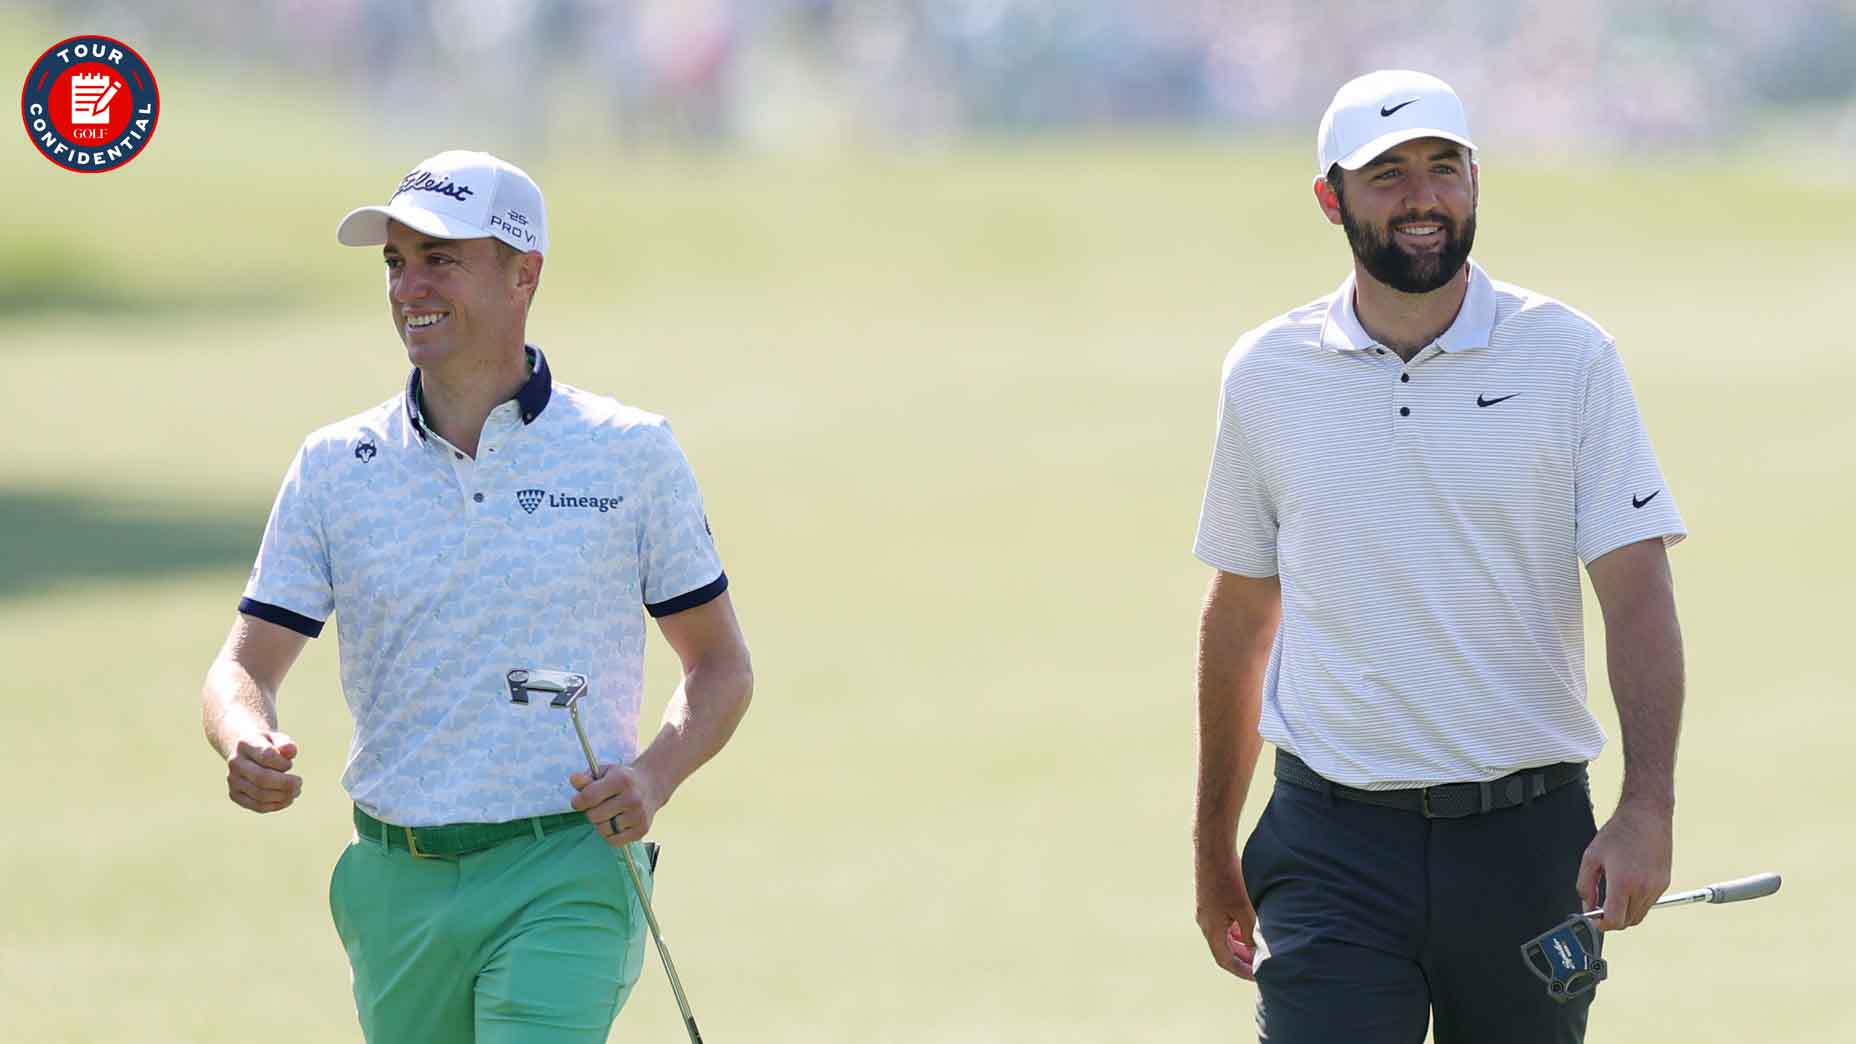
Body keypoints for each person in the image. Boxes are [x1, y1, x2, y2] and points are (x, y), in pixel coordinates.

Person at [200, 150, 753, 1043]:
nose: (409, 286)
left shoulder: (630, 453)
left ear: (522, 274)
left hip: (566, 869)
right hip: (395, 883)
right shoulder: (337, 466)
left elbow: (720, 665)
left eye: (440, 259)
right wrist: (245, 733)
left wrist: (653, 777)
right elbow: (244, 664)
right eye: (395, 262)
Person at [1191, 71, 1686, 1043]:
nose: (1421, 196)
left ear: (1472, 180)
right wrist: (1211, 843)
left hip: (1526, 841)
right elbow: (1241, 615)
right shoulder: (1265, 375)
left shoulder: (1568, 358)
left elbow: (1635, 594)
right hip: (1328, 841)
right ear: (1330, 198)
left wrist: (1644, 808)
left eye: (1441, 167)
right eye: (1386, 175)